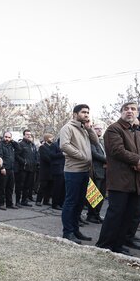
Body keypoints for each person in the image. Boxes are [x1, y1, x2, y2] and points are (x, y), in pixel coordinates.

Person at [95, 103, 140, 255]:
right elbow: (117, 150)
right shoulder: (114, 129)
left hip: (136, 180)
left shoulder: (136, 131)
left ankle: (118, 245)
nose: (129, 111)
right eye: (126, 109)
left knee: (128, 215)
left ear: (137, 113)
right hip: (120, 180)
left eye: (133, 109)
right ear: (121, 112)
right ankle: (104, 245)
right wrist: (137, 161)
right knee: (115, 214)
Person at [58, 104, 99, 244]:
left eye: (88, 112)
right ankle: (67, 232)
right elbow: (64, 145)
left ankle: (75, 230)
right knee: (71, 202)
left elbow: (96, 142)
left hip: (84, 171)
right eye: (83, 112)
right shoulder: (67, 127)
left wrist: (89, 128)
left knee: (80, 203)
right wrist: (82, 156)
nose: (86, 114)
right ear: (75, 114)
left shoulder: (85, 129)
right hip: (73, 170)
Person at [85, 124, 107, 223]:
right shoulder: (91, 141)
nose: (99, 130)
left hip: (104, 171)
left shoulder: (101, 142)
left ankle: (97, 214)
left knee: (101, 195)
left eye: (100, 128)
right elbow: (94, 154)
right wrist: (108, 161)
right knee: (94, 195)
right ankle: (91, 215)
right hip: (95, 171)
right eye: (97, 128)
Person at [15, 130, 38, 207]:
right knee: (20, 186)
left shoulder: (32, 145)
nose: (29, 136)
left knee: (27, 186)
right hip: (22, 169)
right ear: (24, 135)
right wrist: (24, 161)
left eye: (30, 134)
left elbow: (35, 155)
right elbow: (16, 155)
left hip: (31, 169)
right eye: (27, 134)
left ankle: (24, 200)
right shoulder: (21, 144)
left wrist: (36, 162)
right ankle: (17, 201)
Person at [0, 132, 18, 210]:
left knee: (10, 188)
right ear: (3, 137)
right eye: (6, 137)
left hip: (11, 169)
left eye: (9, 137)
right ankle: (1, 203)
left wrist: (13, 141)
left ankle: (9, 203)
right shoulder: (0, 145)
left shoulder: (11, 145)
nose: (7, 139)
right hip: (4, 168)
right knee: (2, 187)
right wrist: (2, 167)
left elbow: (19, 149)